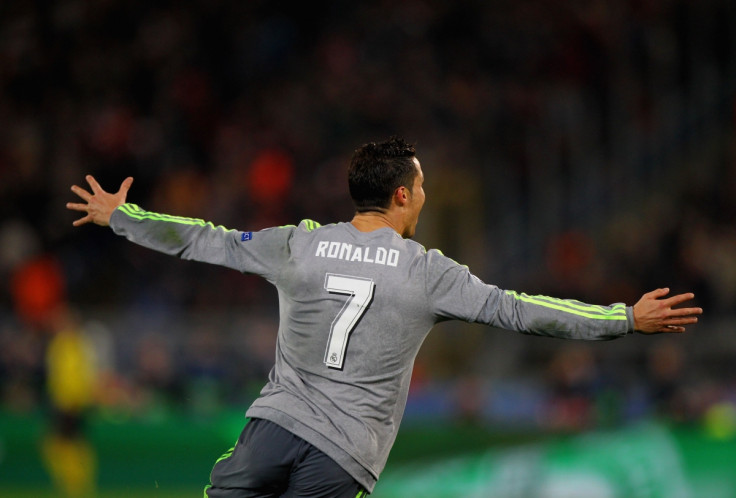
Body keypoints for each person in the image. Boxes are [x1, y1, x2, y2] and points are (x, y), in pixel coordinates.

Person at [66, 137, 702, 497]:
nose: (424, 195)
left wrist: (124, 219)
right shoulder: (428, 273)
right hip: (345, 456)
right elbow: (525, 312)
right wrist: (622, 318)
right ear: (402, 195)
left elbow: (209, 240)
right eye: (421, 186)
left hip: (272, 430)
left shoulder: (301, 242)